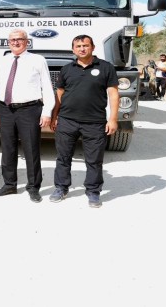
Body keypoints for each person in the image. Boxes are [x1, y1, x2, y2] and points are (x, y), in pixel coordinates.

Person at [50, 35, 119, 208]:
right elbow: (59, 94)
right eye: (78, 46)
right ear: (73, 49)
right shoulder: (67, 69)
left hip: (94, 122)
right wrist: (54, 116)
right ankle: (61, 188)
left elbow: (113, 94)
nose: (82, 49)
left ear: (93, 47)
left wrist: (113, 119)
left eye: (85, 45)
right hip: (67, 121)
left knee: (94, 160)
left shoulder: (106, 67)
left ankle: (93, 191)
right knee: (63, 157)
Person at [0, 29, 55, 203]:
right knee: (7, 149)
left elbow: (47, 86)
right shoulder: (3, 60)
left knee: (31, 149)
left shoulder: (38, 60)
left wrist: (47, 111)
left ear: (27, 42)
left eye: (19, 39)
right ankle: (9, 185)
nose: (16, 42)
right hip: (5, 109)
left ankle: (33, 187)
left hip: (29, 109)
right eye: (12, 40)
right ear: (8, 42)